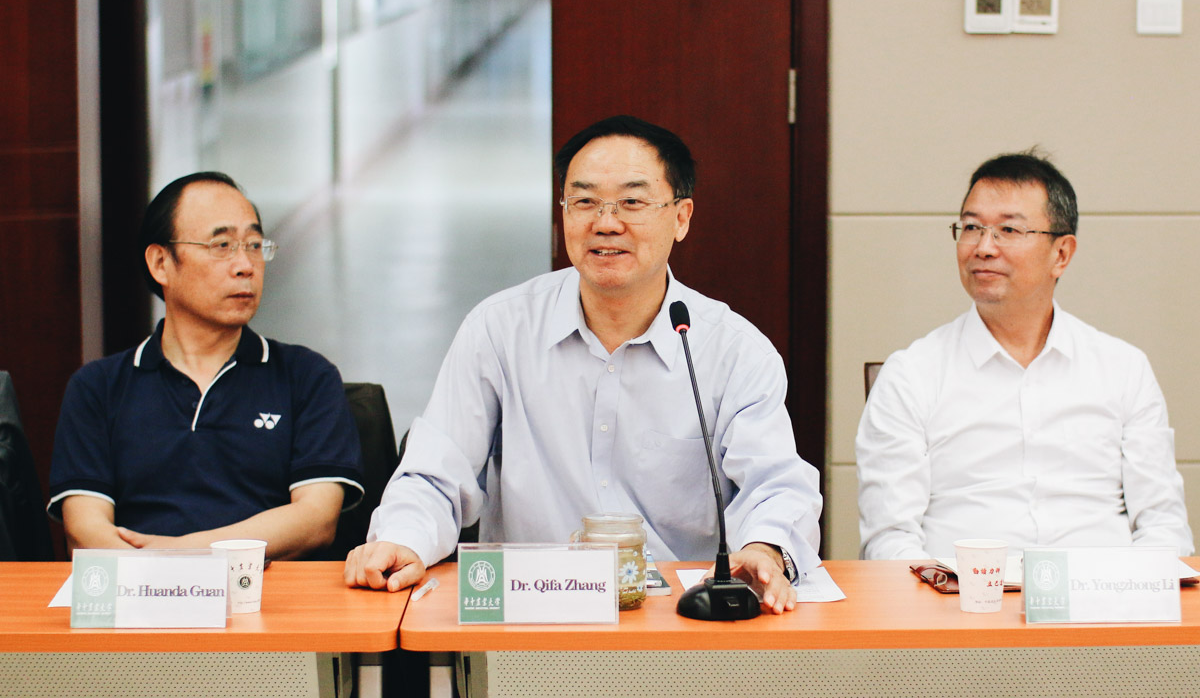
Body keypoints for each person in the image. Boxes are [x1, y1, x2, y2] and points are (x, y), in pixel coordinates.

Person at [345, 116, 822, 612]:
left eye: (632, 202)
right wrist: (403, 539)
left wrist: (764, 549)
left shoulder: (733, 350)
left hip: (678, 621)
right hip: (529, 613)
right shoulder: (500, 329)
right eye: (585, 201)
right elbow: (434, 473)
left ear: (681, 218)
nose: (606, 223)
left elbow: (775, 484)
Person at [857, 152, 1193, 560]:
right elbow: (889, 541)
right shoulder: (911, 375)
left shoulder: (1123, 369)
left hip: (1102, 593)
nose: (983, 247)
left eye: (1008, 230)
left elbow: (1163, 525)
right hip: (962, 594)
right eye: (971, 227)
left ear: (1061, 254)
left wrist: (1133, 590)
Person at [48, 172, 364, 560]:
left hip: (263, 591)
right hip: (137, 591)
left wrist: (181, 555)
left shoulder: (307, 377)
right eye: (222, 245)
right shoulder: (98, 387)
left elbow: (315, 520)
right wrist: (155, 574)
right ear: (161, 263)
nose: (245, 265)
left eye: (254, 245)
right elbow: (84, 530)